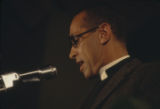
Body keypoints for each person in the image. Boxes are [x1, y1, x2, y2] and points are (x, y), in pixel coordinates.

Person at [68, 5, 160, 109]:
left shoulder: (150, 74)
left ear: (103, 33)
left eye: (75, 41)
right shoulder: (90, 94)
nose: (71, 54)